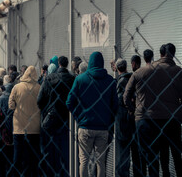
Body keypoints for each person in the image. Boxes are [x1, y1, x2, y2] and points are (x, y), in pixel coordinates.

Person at [123, 43, 182, 177]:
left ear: (160, 54)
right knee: (174, 156)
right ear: (173, 54)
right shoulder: (178, 72)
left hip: (146, 119)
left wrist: (133, 110)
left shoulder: (142, 71)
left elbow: (126, 96)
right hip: (171, 120)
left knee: (151, 157)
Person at [66, 52, 118, 177]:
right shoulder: (110, 81)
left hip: (85, 126)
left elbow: (69, 102)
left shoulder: (80, 79)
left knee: (83, 160)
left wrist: (79, 116)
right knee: (101, 162)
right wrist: (109, 120)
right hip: (103, 127)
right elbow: (115, 105)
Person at [37, 56, 75, 177]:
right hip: (67, 119)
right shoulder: (72, 79)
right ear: (67, 64)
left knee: (50, 151)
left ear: (59, 64)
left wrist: (46, 110)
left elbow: (40, 100)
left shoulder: (49, 78)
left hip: (51, 118)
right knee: (65, 151)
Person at [114, 59, 145, 177]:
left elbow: (119, 101)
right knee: (136, 153)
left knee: (122, 155)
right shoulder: (134, 79)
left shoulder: (119, 82)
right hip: (135, 122)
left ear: (117, 69)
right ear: (127, 66)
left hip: (123, 124)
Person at [8, 66, 41, 177]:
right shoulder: (39, 88)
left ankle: (16, 174)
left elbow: (11, 105)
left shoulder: (17, 87)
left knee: (17, 155)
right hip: (34, 127)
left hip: (19, 126)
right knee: (33, 156)